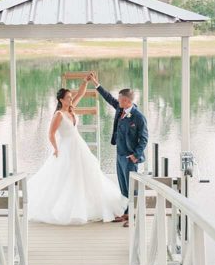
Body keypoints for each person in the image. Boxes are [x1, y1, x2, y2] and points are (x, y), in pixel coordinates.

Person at [26, 78, 126, 225]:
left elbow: (80, 94)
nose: (71, 99)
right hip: (66, 148)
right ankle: (67, 209)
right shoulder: (58, 115)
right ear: (61, 100)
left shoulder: (72, 109)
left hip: (79, 146)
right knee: (68, 177)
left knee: (87, 173)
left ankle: (91, 205)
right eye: (68, 98)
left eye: (71, 97)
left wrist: (86, 82)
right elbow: (51, 134)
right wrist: (55, 149)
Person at [87, 71, 148, 227]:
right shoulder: (120, 109)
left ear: (127, 101)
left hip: (130, 158)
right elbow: (108, 98)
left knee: (132, 187)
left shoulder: (138, 117)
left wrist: (136, 155)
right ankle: (126, 213)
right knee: (123, 187)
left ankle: (133, 216)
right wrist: (96, 83)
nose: (118, 101)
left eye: (120, 99)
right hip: (119, 155)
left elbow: (144, 139)